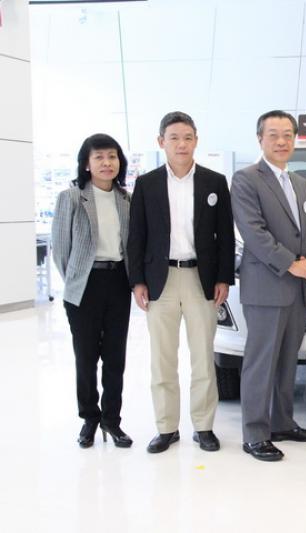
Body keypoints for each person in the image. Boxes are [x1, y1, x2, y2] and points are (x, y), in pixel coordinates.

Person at [128, 111, 235, 454]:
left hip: (201, 279)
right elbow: (136, 236)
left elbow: (225, 236)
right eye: (174, 137)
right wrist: (137, 281)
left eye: (188, 137)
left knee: (203, 357)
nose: (181, 144)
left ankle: (203, 427)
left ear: (196, 141)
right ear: (161, 142)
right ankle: (166, 428)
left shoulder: (214, 182)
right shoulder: (147, 184)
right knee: (162, 359)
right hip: (160, 280)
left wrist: (223, 277)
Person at [231, 110, 306, 462]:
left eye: (288, 135)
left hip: (297, 288)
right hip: (266, 286)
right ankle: (255, 434)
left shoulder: (299, 182)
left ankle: (282, 423)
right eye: (273, 135)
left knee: (286, 361)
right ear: (260, 139)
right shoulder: (246, 179)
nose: (282, 141)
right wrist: (292, 264)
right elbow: (253, 232)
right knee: (261, 362)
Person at [52, 133, 133, 448]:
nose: (106, 163)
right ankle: (89, 418)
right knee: (85, 357)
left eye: (112, 156)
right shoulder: (71, 198)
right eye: (98, 157)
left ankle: (112, 421)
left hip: (118, 282)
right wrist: (76, 277)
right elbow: (61, 249)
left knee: (115, 357)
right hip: (84, 285)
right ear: (86, 164)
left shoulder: (126, 199)